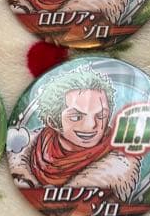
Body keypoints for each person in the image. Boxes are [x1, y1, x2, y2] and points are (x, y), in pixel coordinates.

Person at [8, 66, 140, 200]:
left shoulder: (118, 167)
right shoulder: (27, 151)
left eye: (100, 116)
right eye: (76, 117)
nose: (91, 125)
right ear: (53, 122)